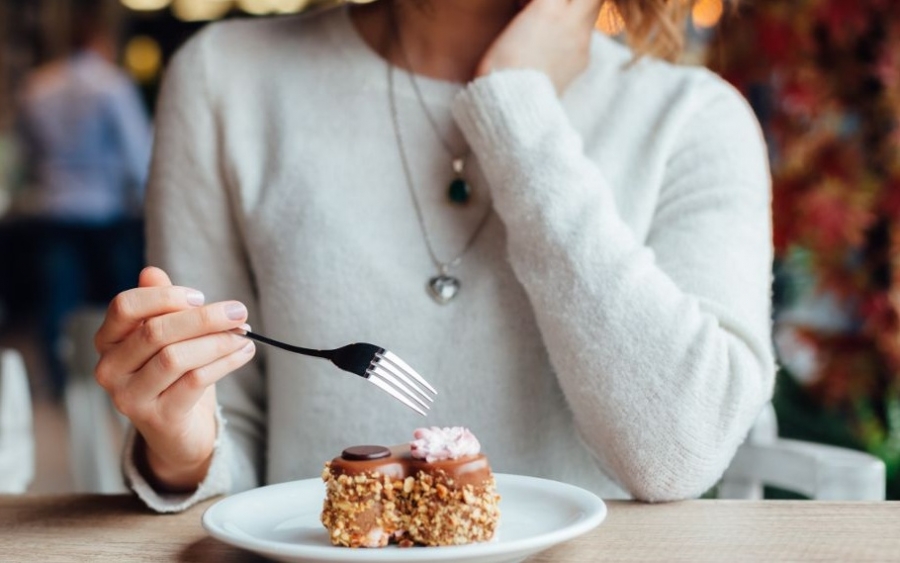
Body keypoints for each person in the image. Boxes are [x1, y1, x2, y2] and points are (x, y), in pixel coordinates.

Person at [94, 0, 775, 512]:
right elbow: (227, 438)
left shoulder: (694, 119)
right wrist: (182, 447)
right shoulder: (225, 80)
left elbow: (677, 451)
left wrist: (516, 108)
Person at [17, 5, 152, 399]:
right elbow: (137, 153)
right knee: (122, 300)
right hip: (104, 209)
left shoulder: (38, 85)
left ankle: (60, 384)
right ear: (99, 39)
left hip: (55, 205)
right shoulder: (111, 84)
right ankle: (125, 380)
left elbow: (28, 153)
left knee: (57, 299)